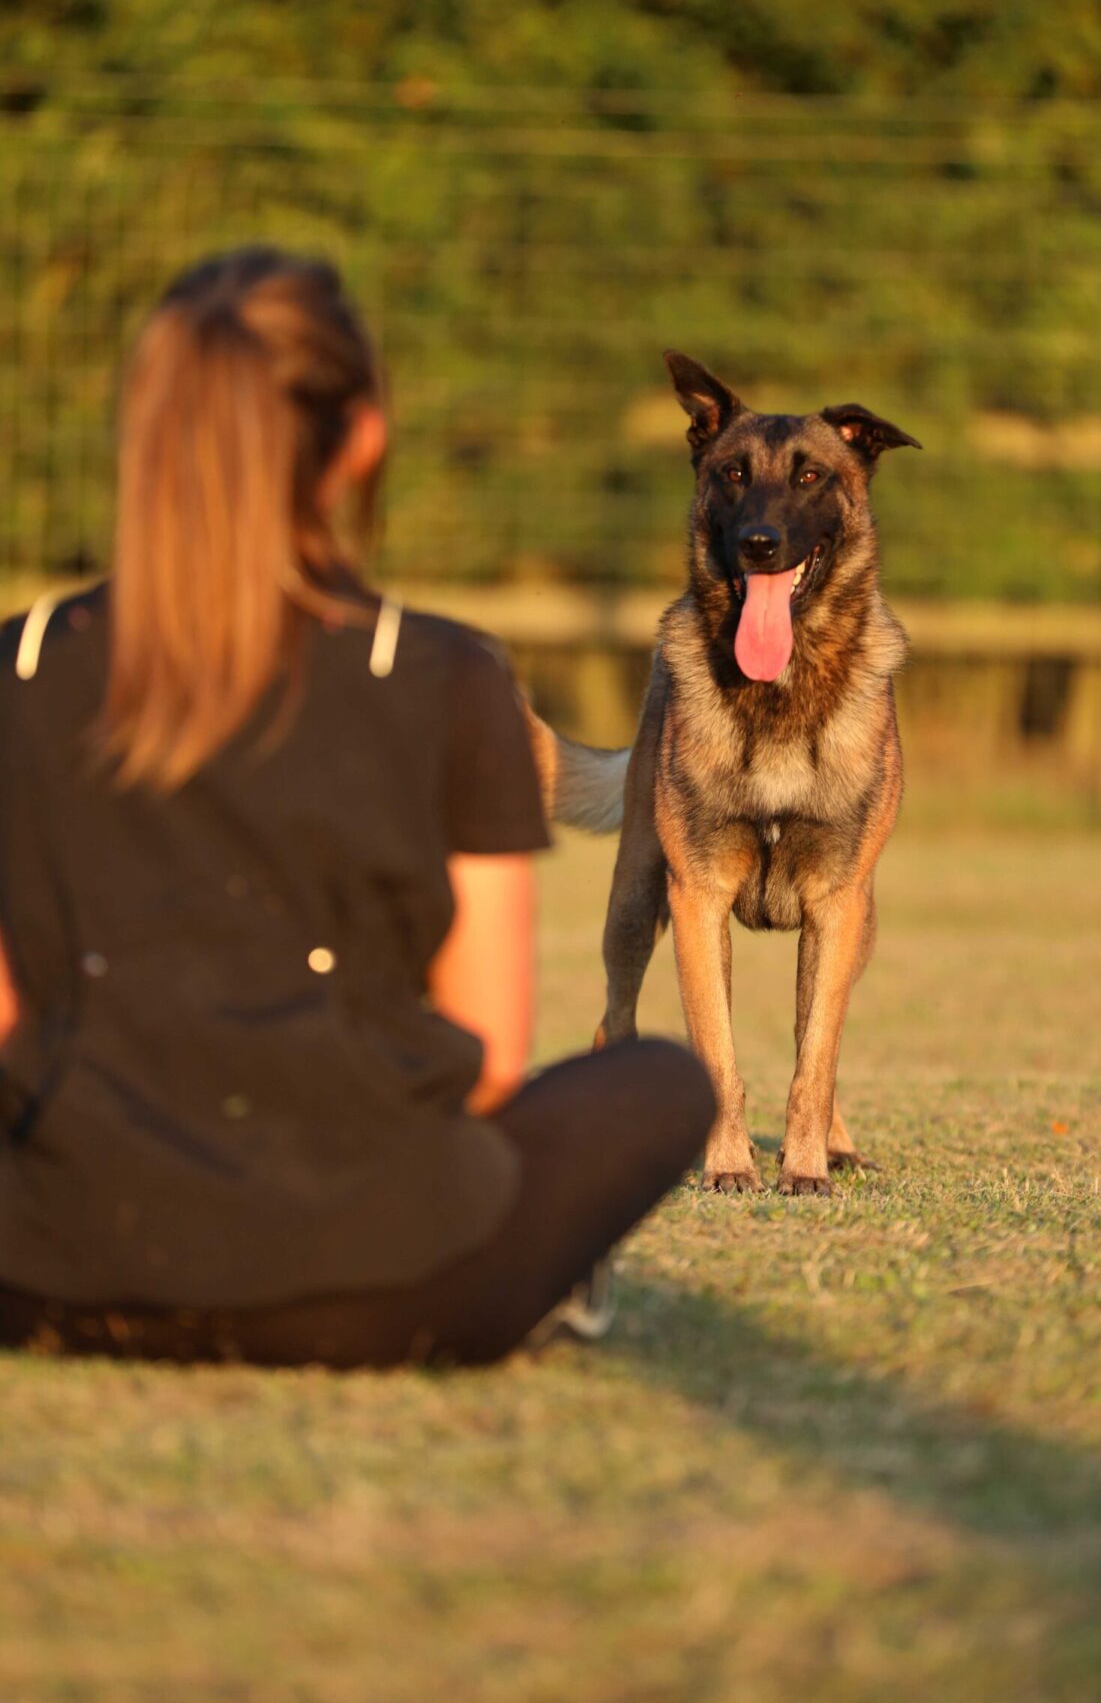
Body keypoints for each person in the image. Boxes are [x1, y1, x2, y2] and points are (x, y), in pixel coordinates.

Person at [0, 246, 712, 1369]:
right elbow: (482, 1054)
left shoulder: (23, 665)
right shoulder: (441, 675)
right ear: (362, 436)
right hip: (377, 1288)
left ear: (144, 428)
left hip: (51, 1276)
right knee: (662, 1083)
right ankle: (527, 1277)